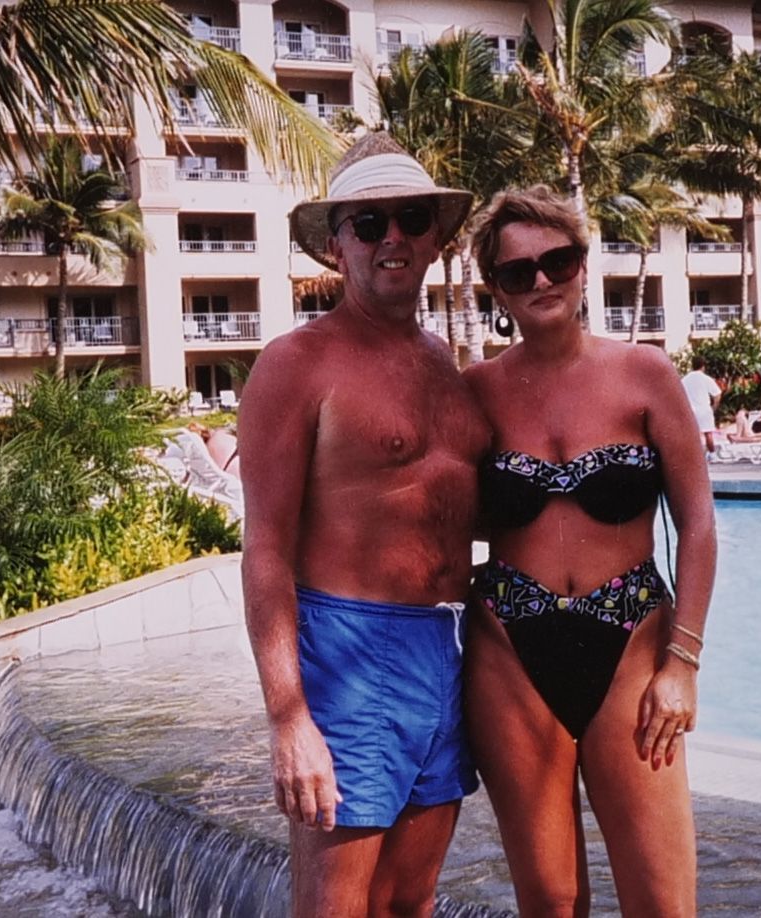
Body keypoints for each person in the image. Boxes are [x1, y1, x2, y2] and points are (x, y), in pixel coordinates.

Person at [239, 133, 490, 916]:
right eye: (369, 223)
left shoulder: (444, 363)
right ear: (337, 246)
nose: (393, 238)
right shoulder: (297, 363)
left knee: (411, 902)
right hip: (347, 650)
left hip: (443, 649)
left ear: (435, 237)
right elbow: (265, 549)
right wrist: (289, 718)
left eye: (411, 218)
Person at [462, 186, 717, 916]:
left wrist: (683, 663)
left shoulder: (645, 374)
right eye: (518, 272)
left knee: (663, 903)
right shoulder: (475, 392)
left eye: (558, 260)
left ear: (582, 264)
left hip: (632, 645)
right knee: (550, 901)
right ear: (497, 289)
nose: (542, 280)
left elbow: (697, 523)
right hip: (509, 650)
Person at [681, 356, 722, 453]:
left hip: (690, 411)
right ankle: (711, 454)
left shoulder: (685, 380)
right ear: (703, 366)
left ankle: (693, 455)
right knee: (708, 434)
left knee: (692, 436)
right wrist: (714, 407)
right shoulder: (706, 378)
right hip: (704, 410)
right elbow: (717, 394)